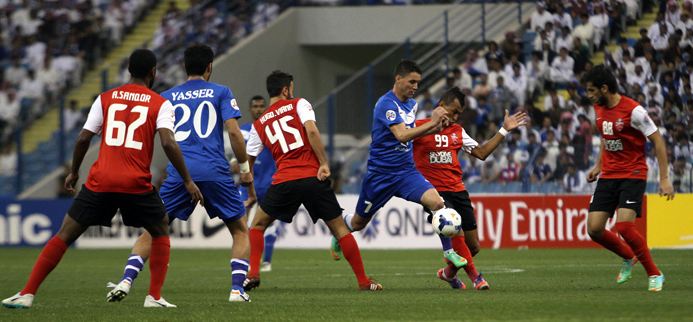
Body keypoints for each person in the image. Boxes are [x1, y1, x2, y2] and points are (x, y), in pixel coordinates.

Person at [2, 49, 203, 309]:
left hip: (101, 180)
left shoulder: (105, 98)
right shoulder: (160, 103)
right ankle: (153, 297)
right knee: (160, 228)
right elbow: (168, 142)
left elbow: (84, 137)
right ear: (153, 72)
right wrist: (187, 179)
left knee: (64, 234)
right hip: (135, 183)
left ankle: (27, 293)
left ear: (129, 70)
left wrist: (74, 171)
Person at [105, 45, 254, 303]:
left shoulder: (167, 97)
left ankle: (126, 280)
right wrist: (244, 169)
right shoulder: (221, 92)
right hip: (214, 170)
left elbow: (154, 138)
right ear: (209, 67)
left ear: (185, 67)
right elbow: (234, 133)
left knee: (154, 228)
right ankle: (236, 290)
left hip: (180, 172)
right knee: (240, 229)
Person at [243, 71, 382, 292]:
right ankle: (364, 281)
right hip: (311, 177)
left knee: (257, 225)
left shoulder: (259, 124)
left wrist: (249, 190)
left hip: (283, 181)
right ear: (286, 89)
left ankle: (253, 274)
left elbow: (247, 161)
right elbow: (312, 131)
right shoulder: (299, 104)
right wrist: (324, 163)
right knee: (339, 230)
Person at [330, 60, 469, 269]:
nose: (415, 87)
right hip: (380, 175)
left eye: (418, 83)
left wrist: (436, 128)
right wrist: (432, 123)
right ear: (398, 79)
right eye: (411, 81)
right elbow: (402, 135)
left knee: (438, 203)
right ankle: (340, 228)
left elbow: (413, 135)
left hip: (406, 172)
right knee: (358, 223)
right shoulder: (386, 104)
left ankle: (449, 252)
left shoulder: (412, 105)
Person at [413, 87, 528, 290]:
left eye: (459, 114)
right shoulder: (419, 128)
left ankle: (448, 273)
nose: (456, 117)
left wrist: (503, 130)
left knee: (472, 246)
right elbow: (400, 139)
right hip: (434, 194)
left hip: (458, 191)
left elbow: (482, 153)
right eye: (453, 111)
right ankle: (476, 277)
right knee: (454, 229)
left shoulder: (458, 131)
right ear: (440, 106)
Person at [582, 65, 674, 292]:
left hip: (632, 173)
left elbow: (658, 141)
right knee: (594, 229)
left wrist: (664, 178)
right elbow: (606, 136)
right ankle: (628, 256)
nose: (589, 95)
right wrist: (598, 165)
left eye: (592, 90)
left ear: (604, 88)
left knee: (624, 226)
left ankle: (654, 273)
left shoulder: (634, 111)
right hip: (609, 174)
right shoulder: (599, 107)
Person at [238, 95, 279, 272]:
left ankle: (266, 262)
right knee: (241, 223)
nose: (259, 109)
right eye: (255, 106)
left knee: (268, 223)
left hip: (270, 182)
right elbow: (237, 158)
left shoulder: (272, 129)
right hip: (248, 184)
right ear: (250, 109)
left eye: (262, 106)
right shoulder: (244, 131)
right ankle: (244, 261)